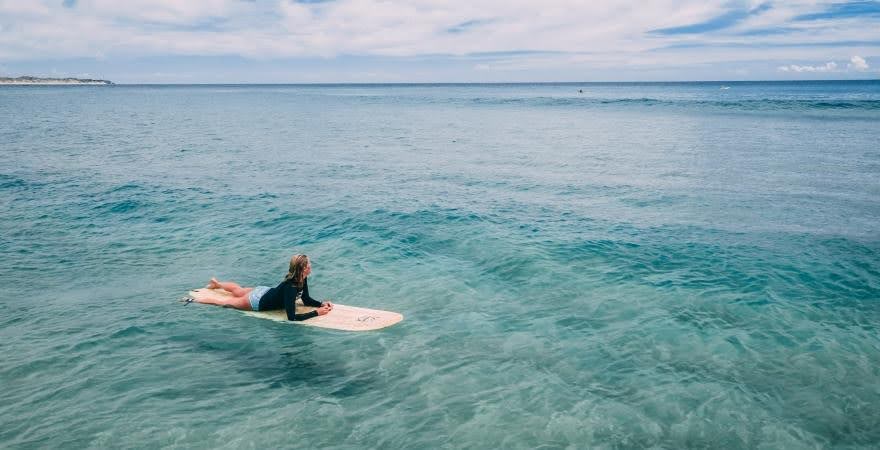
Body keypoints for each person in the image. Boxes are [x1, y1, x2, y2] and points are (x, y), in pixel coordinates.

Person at [195, 254, 333, 320]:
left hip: (264, 291)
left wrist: (320, 304)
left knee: (238, 290)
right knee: (224, 303)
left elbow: (306, 299)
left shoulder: (302, 278)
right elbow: (291, 317)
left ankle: (217, 284)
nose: (311, 266)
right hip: (257, 301)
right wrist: (316, 313)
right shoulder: (290, 287)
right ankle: (194, 300)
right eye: (309, 265)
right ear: (302, 268)